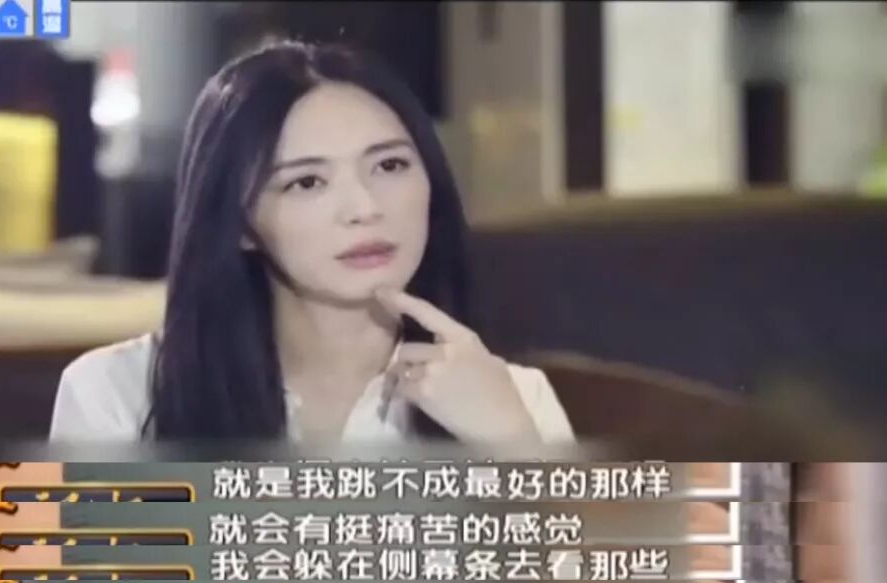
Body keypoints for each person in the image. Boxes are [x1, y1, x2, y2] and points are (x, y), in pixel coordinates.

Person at [50, 40, 573, 446]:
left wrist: (512, 445)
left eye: (390, 165)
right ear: (239, 223)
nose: (365, 207)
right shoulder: (116, 395)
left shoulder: (513, 398)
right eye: (306, 182)